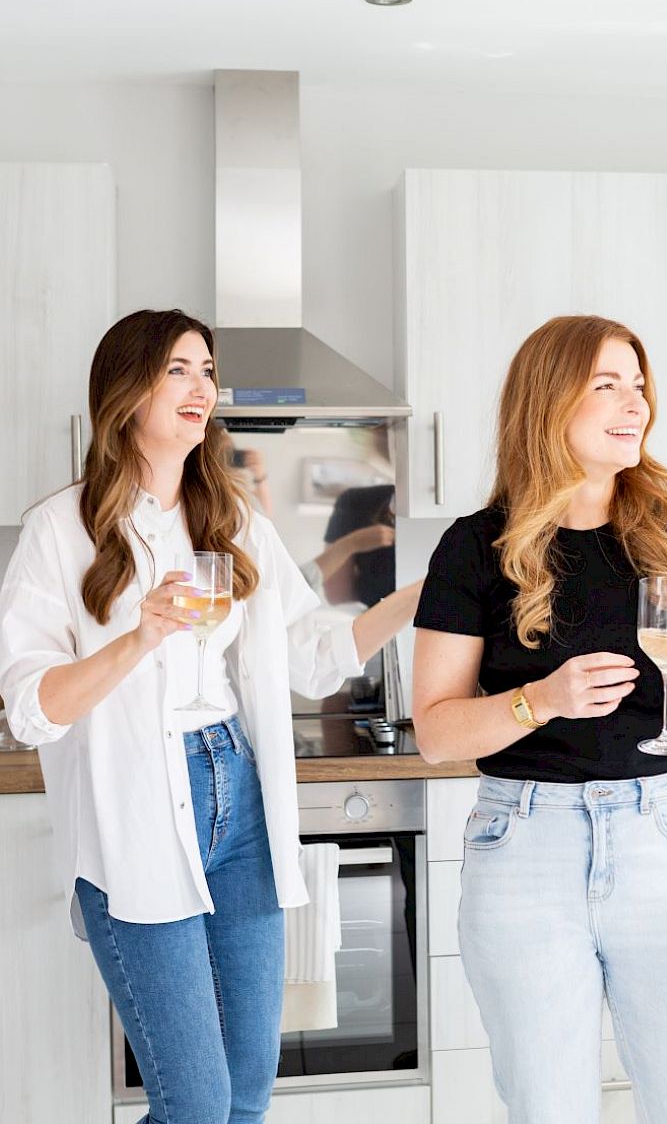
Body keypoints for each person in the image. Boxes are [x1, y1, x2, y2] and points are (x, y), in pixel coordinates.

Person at [0, 309, 420, 1124]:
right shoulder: (60, 528)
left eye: (207, 369)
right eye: (178, 370)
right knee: (194, 1105)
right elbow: (29, 707)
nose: (203, 388)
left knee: (247, 1094)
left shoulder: (231, 519)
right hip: (135, 818)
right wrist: (138, 637)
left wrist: (409, 601)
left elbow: (310, 651)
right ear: (126, 394)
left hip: (239, 796)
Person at [412, 315, 667, 1124]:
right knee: (548, 1106)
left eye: (638, 384)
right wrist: (542, 700)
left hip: (661, 836)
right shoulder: (474, 549)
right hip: (525, 847)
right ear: (547, 402)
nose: (633, 403)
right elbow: (435, 732)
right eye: (607, 385)